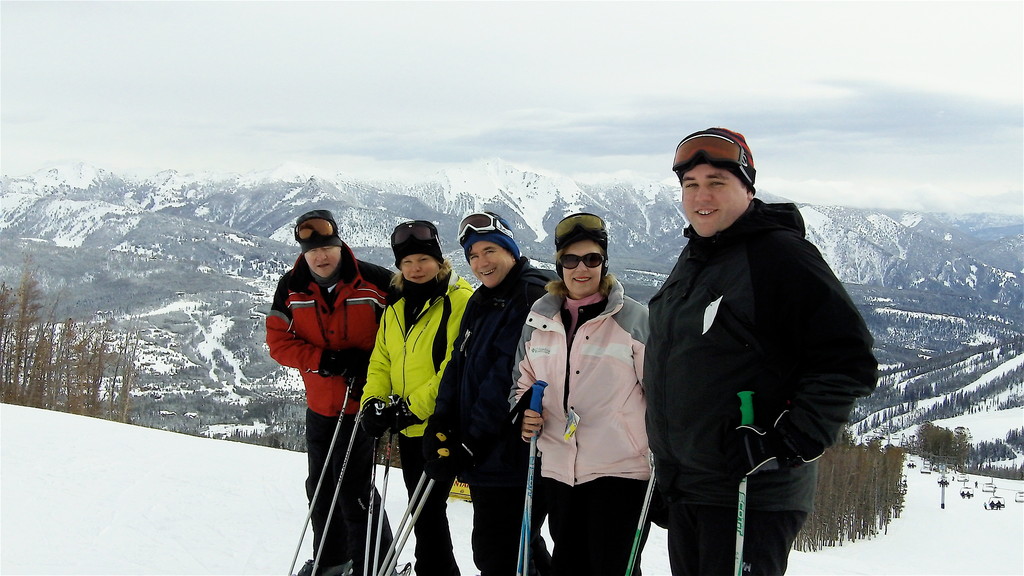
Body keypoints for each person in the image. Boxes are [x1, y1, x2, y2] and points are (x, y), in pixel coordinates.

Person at [644, 128, 878, 576]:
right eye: (690, 185)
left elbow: (848, 358)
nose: (701, 196)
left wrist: (788, 442)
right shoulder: (697, 254)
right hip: (691, 488)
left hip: (751, 493)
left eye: (717, 182)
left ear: (747, 188)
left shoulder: (779, 256)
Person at [513, 212, 651, 576]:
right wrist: (524, 411)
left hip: (619, 472)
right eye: (571, 260)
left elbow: (661, 394)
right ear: (559, 265)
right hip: (559, 470)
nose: (581, 269)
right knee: (568, 566)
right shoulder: (539, 320)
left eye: (592, 259)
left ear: (605, 264)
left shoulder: (633, 319)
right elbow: (521, 383)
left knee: (613, 567)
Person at [423, 211, 554, 576]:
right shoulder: (483, 300)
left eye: (489, 250)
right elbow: (457, 363)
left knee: (502, 551)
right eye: (473, 256)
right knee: (509, 549)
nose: (481, 263)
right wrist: (442, 422)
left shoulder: (532, 294)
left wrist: (472, 441)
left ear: (510, 250)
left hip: (516, 454)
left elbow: (508, 377)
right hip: (487, 456)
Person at [266, 209, 395, 576]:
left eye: (327, 248)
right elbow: (278, 342)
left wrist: (372, 365)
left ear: (339, 244)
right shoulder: (291, 286)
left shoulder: (375, 281)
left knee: (354, 490)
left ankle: (374, 565)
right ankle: (332, 561)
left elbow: (405, 334)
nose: (321, 257)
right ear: (304, 253)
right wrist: (325, 360)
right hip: (321, 406)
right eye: (312, 251)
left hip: (362, 404)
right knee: (321, 488)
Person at [359, 220, 474, 576]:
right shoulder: (395, 308)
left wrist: (413, 407)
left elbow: (456, 365)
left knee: (432, 514)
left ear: (440, 260)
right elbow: (381, 360)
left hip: (444, 428)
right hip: (409, 431)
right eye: (407, 262)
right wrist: (373, 401)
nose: (415, 268)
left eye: (423, 259)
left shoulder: (460, 302)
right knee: (423, 516)